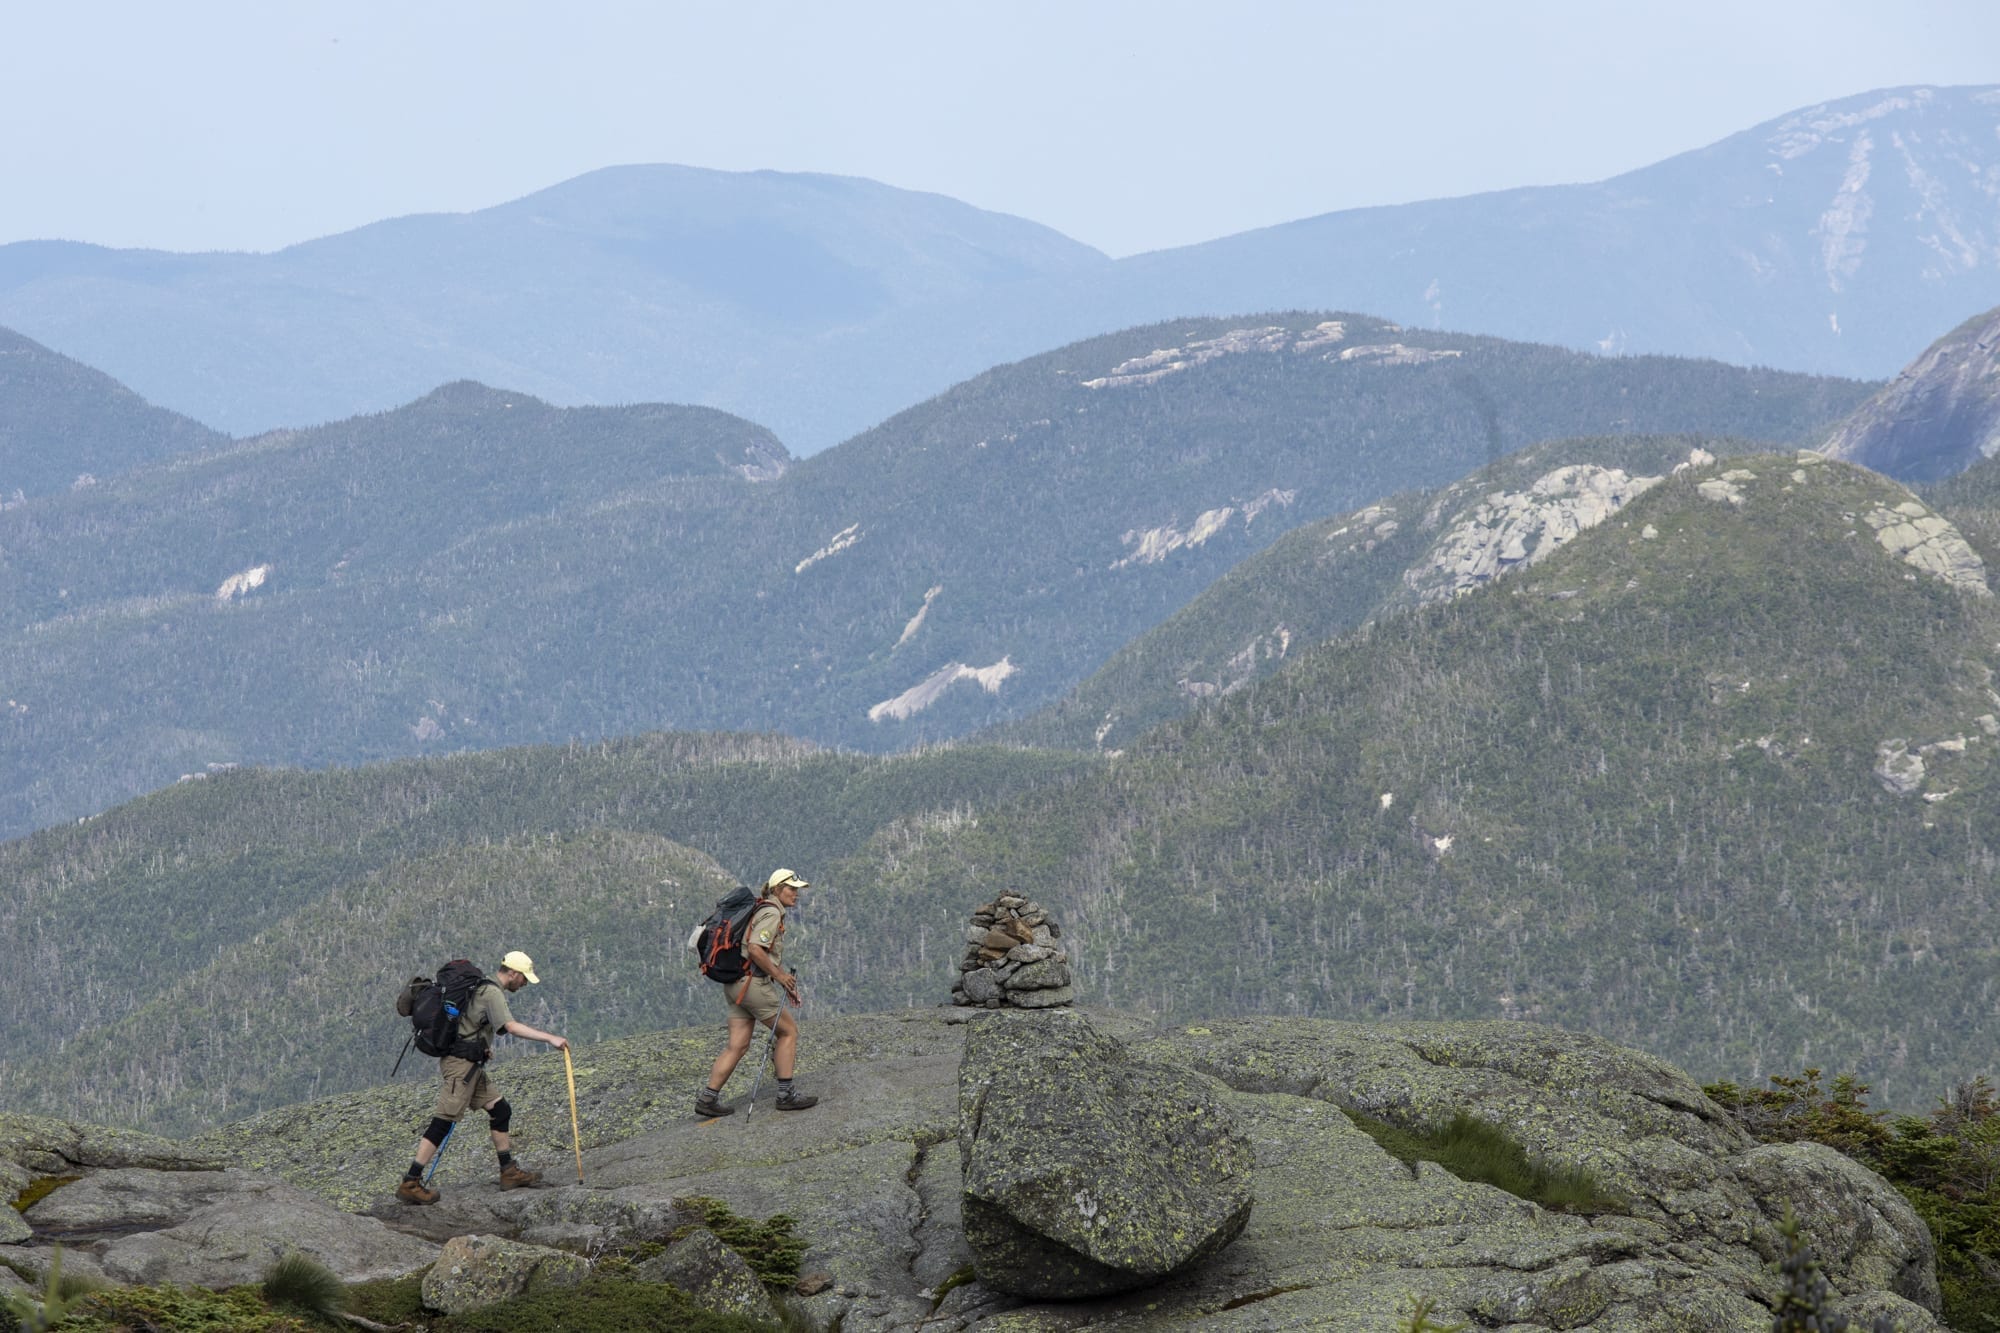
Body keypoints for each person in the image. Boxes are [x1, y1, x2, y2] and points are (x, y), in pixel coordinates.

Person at [395, 950, 569, 1204]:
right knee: (443, 1121)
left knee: (501, 1110)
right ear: (512, 973)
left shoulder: (481, 988)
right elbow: (510, 1027)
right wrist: (550, 1038)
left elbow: (470, 1023)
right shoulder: (492, 992)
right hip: (461, 1068)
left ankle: (508, 1171)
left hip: (471, 1065)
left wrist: (481, 1046)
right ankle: (410, 1181)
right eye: (524, 978)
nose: (524, 984)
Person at [696, 869, 819, 1116]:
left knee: (737, 1045)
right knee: (789, 1032)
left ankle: (708, 1099)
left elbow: (757, 952)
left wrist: (784, 982)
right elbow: (755, 949)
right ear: (776, 889)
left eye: (797, 889)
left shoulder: (759, 909)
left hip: (734, 985)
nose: (796, 894)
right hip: (752, 985)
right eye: (791, 889)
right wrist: (781, 976)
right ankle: (785, 1094)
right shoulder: (771, 912)